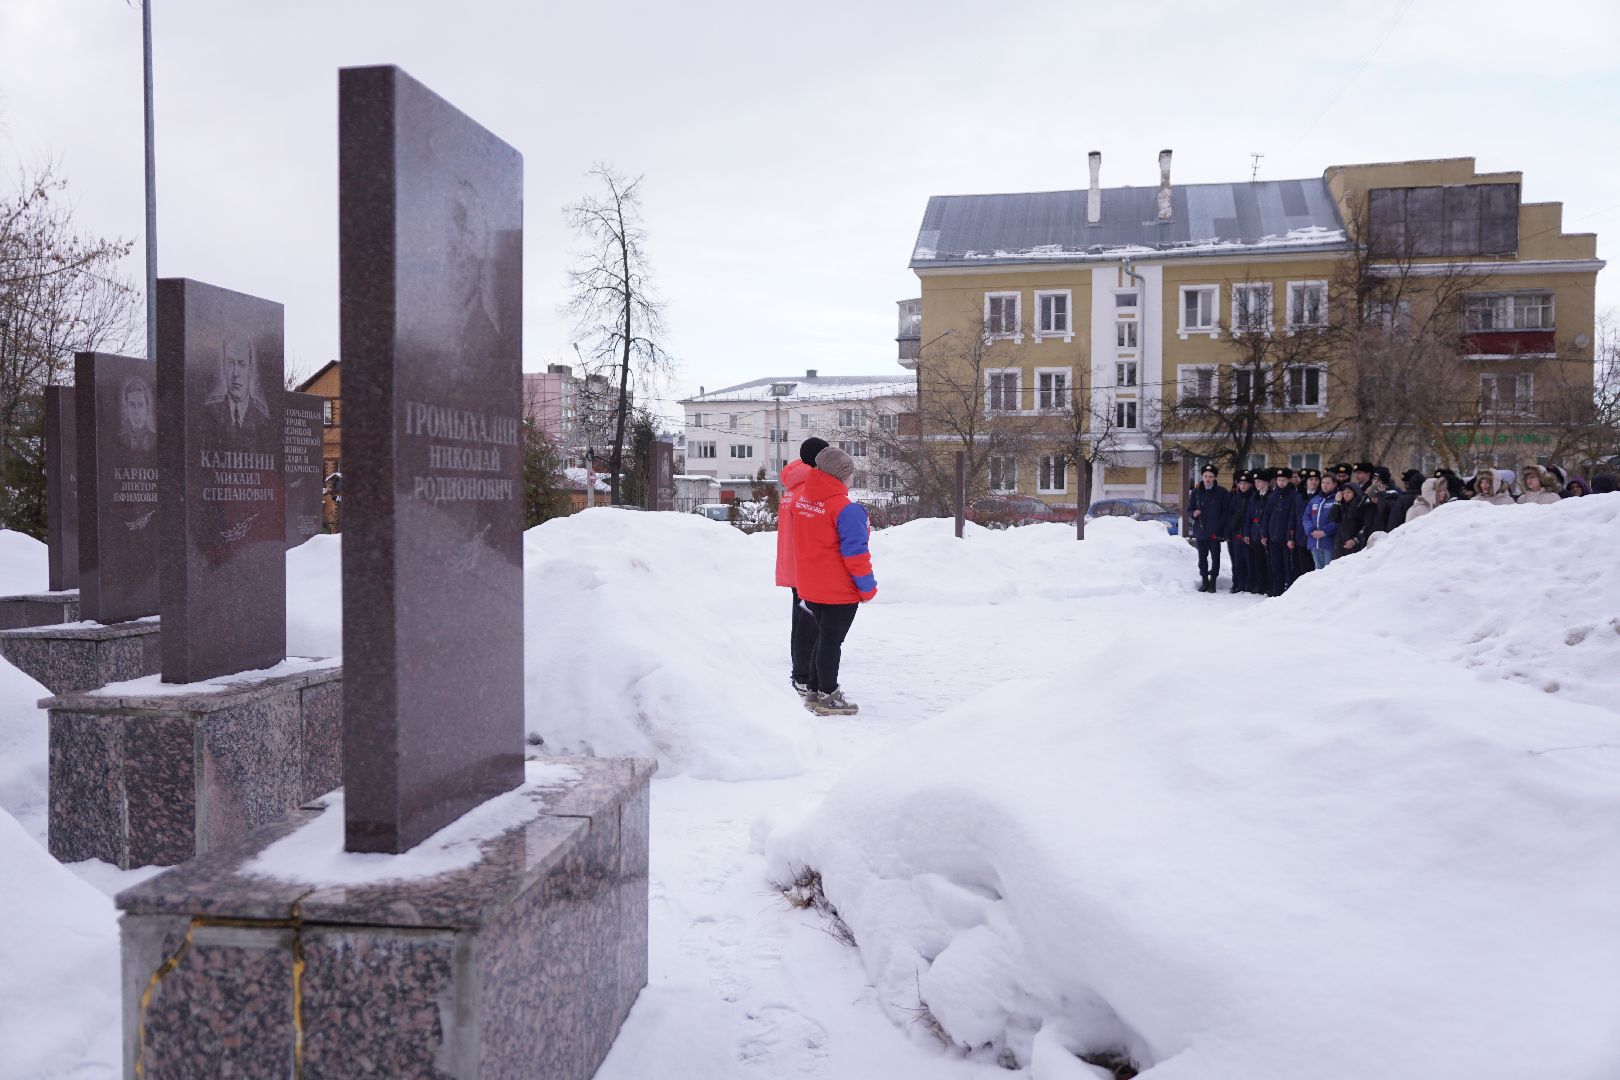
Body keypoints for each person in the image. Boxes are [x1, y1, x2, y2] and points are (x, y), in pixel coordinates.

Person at [791, 446, 876, 717]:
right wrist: (867, 587)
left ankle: (814, 691)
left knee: (822, 638)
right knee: (831, 642)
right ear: (840, 475)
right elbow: (856, 555)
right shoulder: (845, 509)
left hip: (811, 587)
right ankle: (828, 694)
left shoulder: (803, 501)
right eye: (850, 474)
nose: (852, 479)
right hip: (839, 591)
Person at [777, 437, 828, 696]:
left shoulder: (792, 487)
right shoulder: (809, 488)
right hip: (806, 565)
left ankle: (801, 672)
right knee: (808, 623)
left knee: (801, 619)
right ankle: (803, 675)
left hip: (793, 564)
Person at [206, 337, 271, 444]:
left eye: (242, 364)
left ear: (250, 370)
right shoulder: (210, 412)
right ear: (224, 368)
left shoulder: (262, 417)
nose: (235, 373)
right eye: (230, 363)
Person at [1187, 464, 1229, 592]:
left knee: (1215, 558)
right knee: (1202, 558)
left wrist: (1219, 527)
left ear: (1214, 477)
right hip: (1201, 531)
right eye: (1205, 476)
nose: (1207, 479)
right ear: (1202, 476)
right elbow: (1190, 509)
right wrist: (1193, 514)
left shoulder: (1221, 492)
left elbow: (1225, 512)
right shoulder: (1196, 492)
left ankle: (1213, 582)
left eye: (1210, 476)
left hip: (1215, 533)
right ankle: (1204, 581)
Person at [1262, 466, 1302, 595]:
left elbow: (1294, 518)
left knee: (1288, 566)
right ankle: (1277, 589)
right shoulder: (1272, 496)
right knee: (1275, 566)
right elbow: (1266, 516)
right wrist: (1264, 534)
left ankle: (1288, 591)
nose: (1281, 482)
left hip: (1287, 539)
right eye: (1279, 480)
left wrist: (1290, 537)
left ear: (1289, 480)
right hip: (1273, 538)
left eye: (1284, 480)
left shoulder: (1294, 496)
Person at [1242, 469, 1271, 595]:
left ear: (1266, 482)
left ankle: (1269, 584)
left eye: (1259, 481)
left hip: (1266, 535)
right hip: (1255, 534)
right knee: (1257, 561)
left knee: (1268, 563)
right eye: (1255, 482)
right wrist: (1246, 533)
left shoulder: (1270, 497)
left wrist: (1265, 534)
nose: (1256, 484)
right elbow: (1248, 516)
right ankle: (1261, 584)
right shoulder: (1254, 497)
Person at [1301, 472, 1337, 571]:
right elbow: (1306, 517)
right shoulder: (1315, 500)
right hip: (1314, 541)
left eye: (1328, 483)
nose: (1325, 485)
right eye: (1323, 483)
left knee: (1329, 570)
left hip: (1328, 541)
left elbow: (1337, 520)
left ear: (1334, 484)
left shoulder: (1336, 501)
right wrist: (1311, 530)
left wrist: (1325, 532)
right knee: (1318, 569)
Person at [1225, 471, 1253, 594]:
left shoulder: (1252, 497)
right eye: (1241, 483)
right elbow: (1229, 515)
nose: (1243, 486)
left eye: (1245, 483)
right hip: (1236, 534)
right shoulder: (1235, 497)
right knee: (1238, 560)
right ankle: (1240, 583)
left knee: (1249, 560)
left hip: (1249, 534)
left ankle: (1249, 583)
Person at [1332, 481, 1373, 555]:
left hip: (1357, 545)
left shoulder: (1363, 505)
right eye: (1343, 493)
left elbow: (1367, 525)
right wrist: (1337, 503)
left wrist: (1356, 539)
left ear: (1355, 492)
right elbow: (1333, 518)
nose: (1346, 495)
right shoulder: (1342, 506)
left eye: (1348, 492)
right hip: (1341, 544)